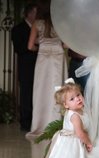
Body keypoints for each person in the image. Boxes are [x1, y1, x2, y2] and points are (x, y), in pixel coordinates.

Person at [39, 79, 93, 158]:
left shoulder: (75, 112)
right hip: (72, 146)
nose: (78, 99)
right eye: (72, 99)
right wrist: (89, 143)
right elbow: (80, 133)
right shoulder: (75, 116)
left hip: (63, 145)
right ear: (66, 105)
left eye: (78, 95)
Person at [26, 0, 68, 139]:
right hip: (58, 58)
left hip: (43, 58)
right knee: (58, 89)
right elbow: (66, 44)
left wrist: (41, 47)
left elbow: (30, 46)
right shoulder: (60, 23)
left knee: (41, 91)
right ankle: (56, 124)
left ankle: (40, 124)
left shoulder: (36, 24)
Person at [11, 3, 38, 131]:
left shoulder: (39, 28)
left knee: (36, 95)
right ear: (28, 14)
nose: (36, 15)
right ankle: (25, 123)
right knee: (26, 95)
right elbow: (19, 49)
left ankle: (35, 120)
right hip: (26, 68)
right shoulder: (17, 29)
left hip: (40, 66)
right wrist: (32, 44)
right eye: (34, 12)